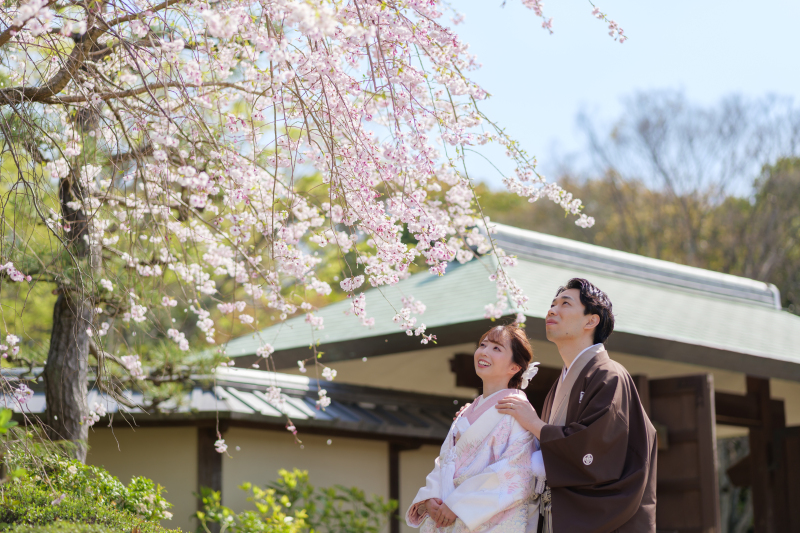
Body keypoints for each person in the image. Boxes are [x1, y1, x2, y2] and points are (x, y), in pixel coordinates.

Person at [496, 278, 657, 533]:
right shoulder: (560, 385)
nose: (552, 310)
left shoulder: (610, 376)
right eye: (551, 304)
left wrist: (536, 425)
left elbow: (594, 447)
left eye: (565, 304)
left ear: (591, 321)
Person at [406, 325, 545, 533]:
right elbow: (445, 461)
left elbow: (517, 471)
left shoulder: (517, 409)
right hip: (447, 515)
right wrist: (430, 498)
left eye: (497, 348)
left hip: (485, 521)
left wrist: (459, 504)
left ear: (515, 367)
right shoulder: (467, 410)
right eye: (483, 345)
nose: (484, 352)